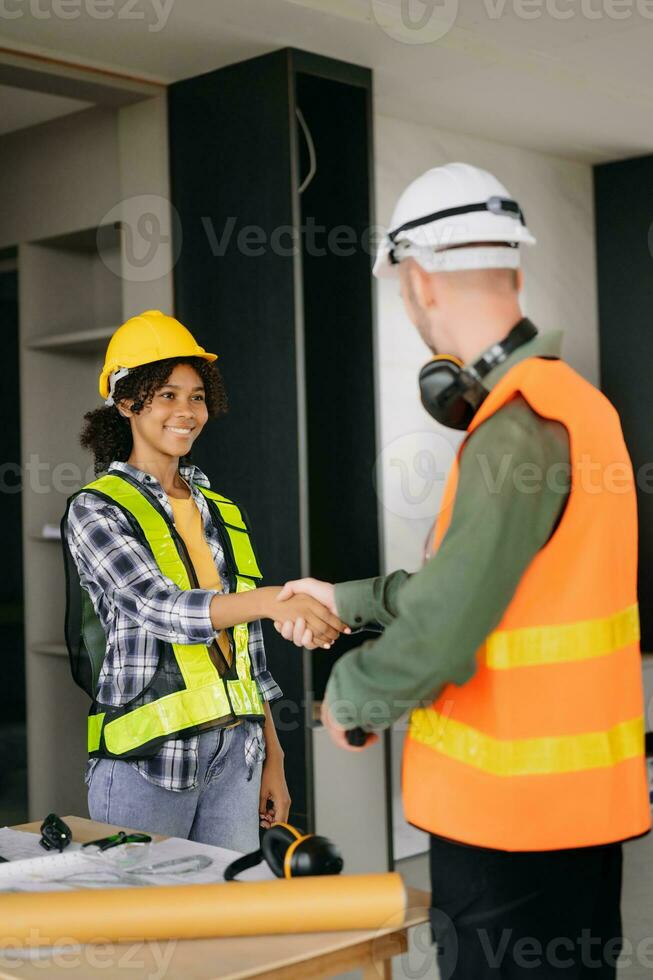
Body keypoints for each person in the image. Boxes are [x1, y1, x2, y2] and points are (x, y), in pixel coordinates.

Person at [276, 164, 651, 977]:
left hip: (505, 827)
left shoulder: (514, 429)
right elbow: (502, 596)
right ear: (514, 269)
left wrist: (353, 695)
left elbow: (447, 628)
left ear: (417, 281)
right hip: (574, 818)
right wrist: (341, 596)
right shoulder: (578, 408)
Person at [62, 310, 347, 852]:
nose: (187, 412)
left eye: (196, 396)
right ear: (126, 403)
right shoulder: (96, 510)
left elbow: (244, 650)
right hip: (148, 765)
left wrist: (273, 755)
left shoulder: (219, 509)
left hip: (235, 759)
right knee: (149, 934)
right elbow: (159, 608)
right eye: (167, 395)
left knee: (226, 926)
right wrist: (270, 601)